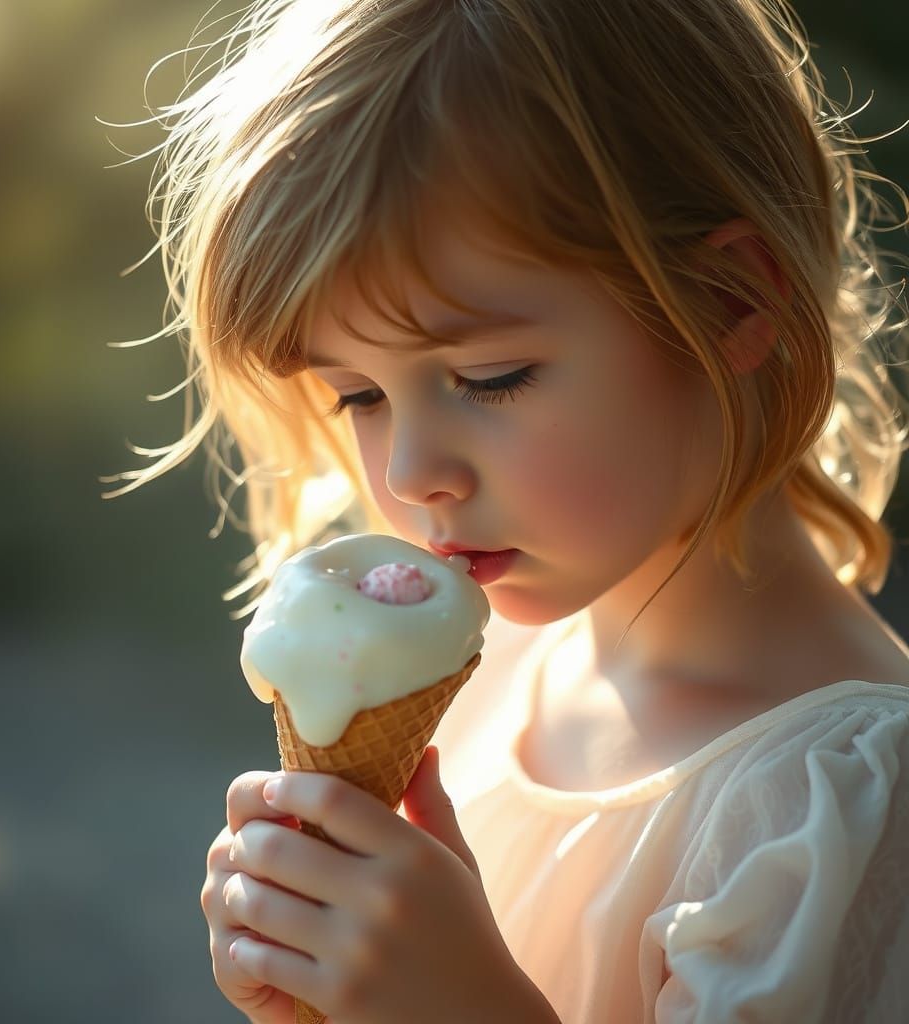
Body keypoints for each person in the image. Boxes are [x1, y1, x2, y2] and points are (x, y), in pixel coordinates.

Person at [116, 0, 909, 1019]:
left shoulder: (840, 813)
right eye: (356, 393)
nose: (409, 471)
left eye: (489, 377)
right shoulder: (480, 686)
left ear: (728, 304)